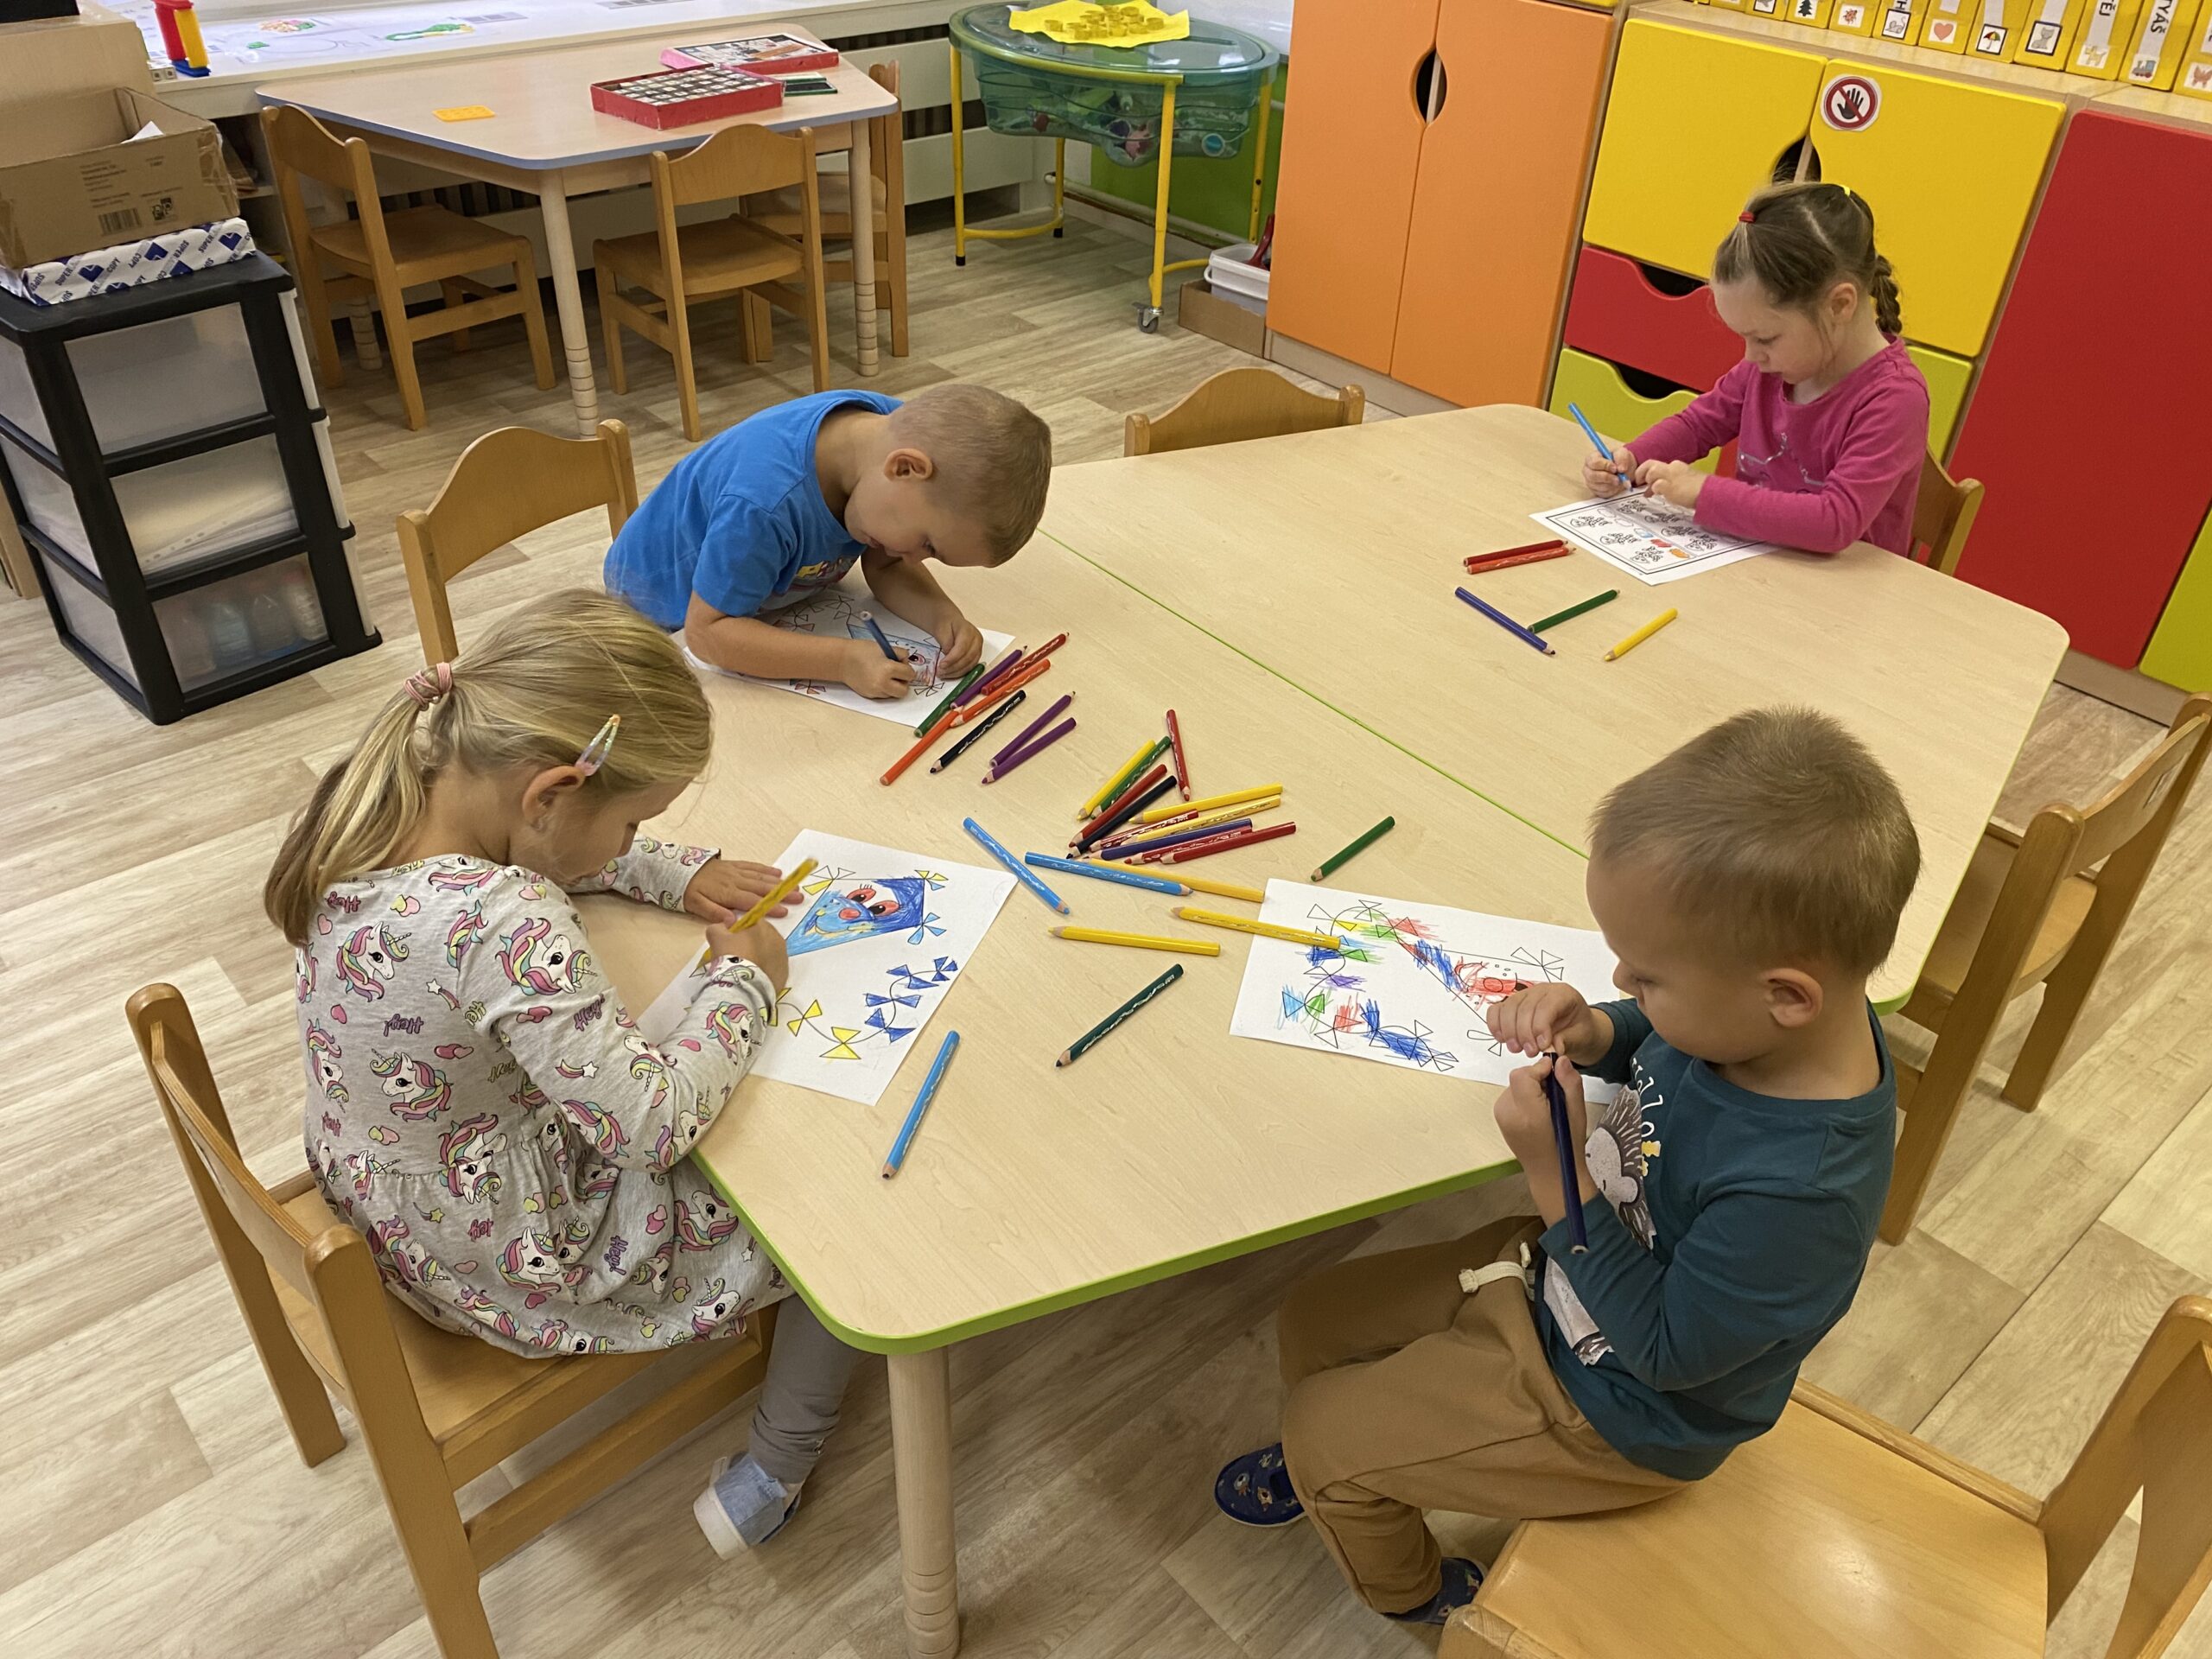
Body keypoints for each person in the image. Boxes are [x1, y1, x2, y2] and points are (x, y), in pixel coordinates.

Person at [1213, 707, 1919, 1624]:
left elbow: (1665, 1353)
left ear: (1786, 995)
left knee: (1321, 1439)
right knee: (1316, 1317)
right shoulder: (1762, 1026)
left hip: (1620, 1409)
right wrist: (1595, 1031)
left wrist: (1558, 1176)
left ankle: (1418, 1594)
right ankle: (1370, 1446)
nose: (1623, 982)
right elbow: (1662, 1038)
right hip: (1567, 1277)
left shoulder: (1803, 1194)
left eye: (1648, 976)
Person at [266, 589, 854, 1554]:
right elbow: (648, 1125)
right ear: (548, 796)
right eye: (633, 824)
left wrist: (668, 870)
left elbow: (552, 846)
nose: (629, 845)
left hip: (377, 1202)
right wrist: (747, 982)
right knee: (835, 1214)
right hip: (504, 1258)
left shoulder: (385, 791)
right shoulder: (504, 919)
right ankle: (777, 1465)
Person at [604, 383, 1053, 698]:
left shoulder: (893, 437)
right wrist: (841, 662)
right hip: (662, 616)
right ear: (904, 468)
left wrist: (942, 617)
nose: (916, 559)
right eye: (928, 545)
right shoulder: (763, 503)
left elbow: (887, 564)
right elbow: (709, 634)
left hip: (766, 599)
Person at [1583, 181, 1930, 556]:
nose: (1751, 357)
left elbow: (1834, 521)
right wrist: (1632, 458)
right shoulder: (1770, 368)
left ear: (1839, 305)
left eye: (1765, 338)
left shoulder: (1895, 398)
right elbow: (1698, 424)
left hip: (1842, 585)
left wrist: (1702, 491)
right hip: (1756, 565)